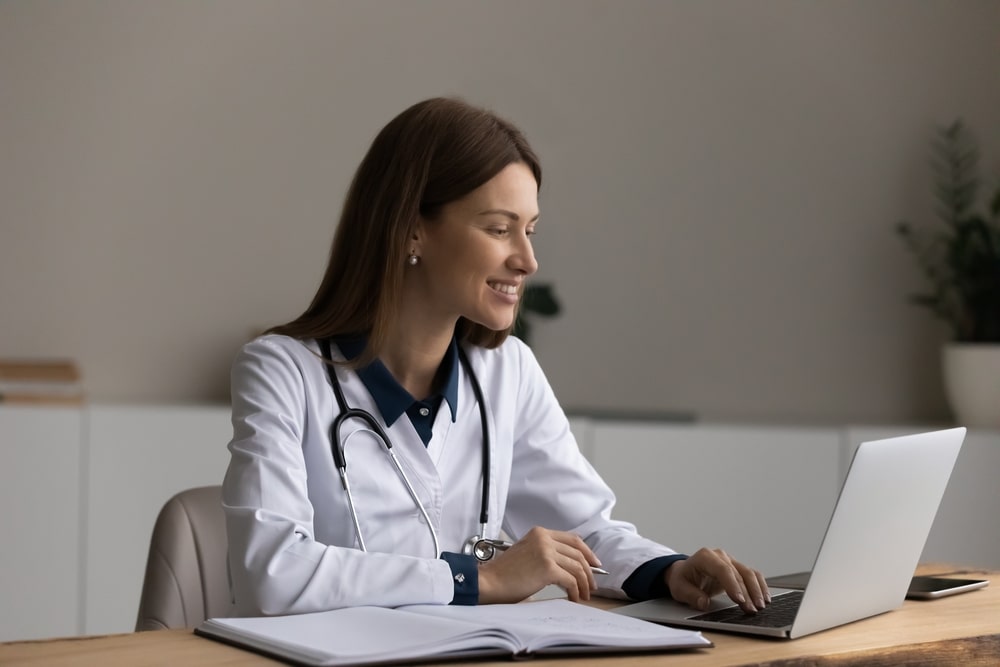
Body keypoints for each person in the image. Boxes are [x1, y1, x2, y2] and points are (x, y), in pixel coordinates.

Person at [222, 97, 770, 617]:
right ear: (412, 229)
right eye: (499, 228)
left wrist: (668, 571)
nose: (527, 260)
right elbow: (271, 574)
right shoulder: (283, 371)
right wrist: (478, 579)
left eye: (529, 231)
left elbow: (584, 529)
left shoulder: (509, 371)